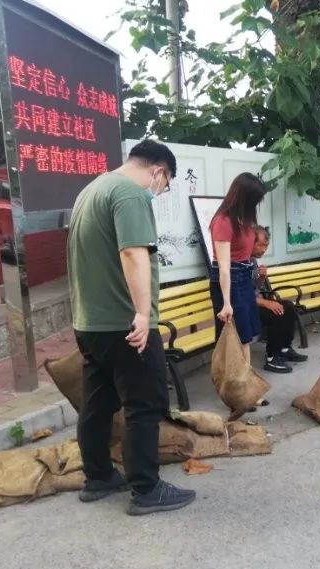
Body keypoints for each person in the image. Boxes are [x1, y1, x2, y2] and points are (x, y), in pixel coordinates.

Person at [67, 139, 195, 515]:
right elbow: (132, 252)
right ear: (158, 170)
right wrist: (142, 313)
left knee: (97, 403)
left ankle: (98, 476)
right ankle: (146, 489)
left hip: (90, 322)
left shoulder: (92, 190)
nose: (160, 190)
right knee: (144, 403)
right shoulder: (129, 194)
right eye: (165, 183)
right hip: (125, 324)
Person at [210, 172, 265, 359]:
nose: (255, 205)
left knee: (245, 335)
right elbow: (224, 268)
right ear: (244, 198)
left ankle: (244, 375)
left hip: (244, 278)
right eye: (254, 201)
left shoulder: (244, 220)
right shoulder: (223, 221)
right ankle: (236, 376)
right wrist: (226, 303)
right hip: (230, 281)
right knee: (236, 336)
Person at [249, 226, 308, 373]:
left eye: (266, 246)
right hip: (245, 307)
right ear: (250, 242)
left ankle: (284, 349)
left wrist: (261, 278)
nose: (264, 249)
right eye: (261, 245)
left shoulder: (253, 260)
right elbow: (240, 295)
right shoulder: (240, 262)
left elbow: (255, 287)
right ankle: (272, 358)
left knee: (288, 306)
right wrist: (266, 303)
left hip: (255, 302)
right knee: (276, 312)